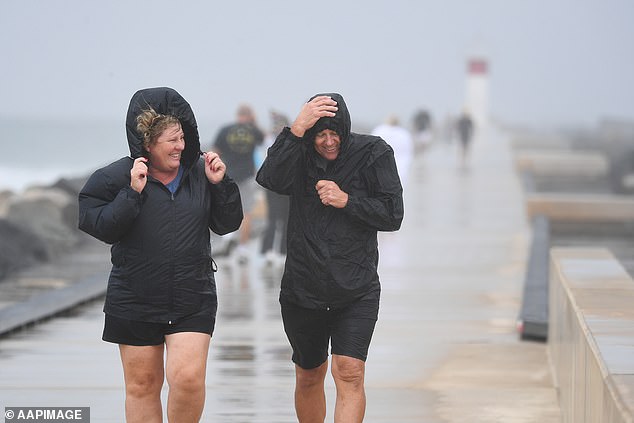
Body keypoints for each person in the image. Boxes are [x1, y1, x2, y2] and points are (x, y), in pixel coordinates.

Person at [78, 87, 243, 423]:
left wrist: (220, 184)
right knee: (142, 386)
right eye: (172, 140)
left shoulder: (201, 171)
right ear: (147, 143)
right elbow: (97, 225)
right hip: (134, 297)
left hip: (192, 296)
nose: (181, 146)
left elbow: (228, 224)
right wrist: (131, 193)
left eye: (182, 137)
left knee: (187, 380)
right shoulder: (116, 177)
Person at [256, 93, 404, 422]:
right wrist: (296, 130)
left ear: (346, 130)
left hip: (356, 288)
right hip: (302, 289)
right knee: (309, 376)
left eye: (334, 133)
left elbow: (393, 215)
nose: (327, 142)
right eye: (320, 134)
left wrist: (347, 201)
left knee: (349, 372)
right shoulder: (299, 153)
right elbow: (269, 179)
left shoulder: (373, 153)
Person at [212, 104, 264, 263]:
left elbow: (215, 151)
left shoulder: (225, 130)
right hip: (247, 176)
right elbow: (263, 139)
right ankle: (243, 249)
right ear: (250, 116)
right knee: (247, 212)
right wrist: (254, 123)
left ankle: (228, 240)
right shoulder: (253, 131)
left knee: (228, 209)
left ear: (238, 115)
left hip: (228, 175)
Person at [259, 110, 290, 266]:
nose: (278, 128)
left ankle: (283, 252)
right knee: (272, 218)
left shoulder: (291, 140)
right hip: (272, 184)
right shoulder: (269, 139)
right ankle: (268, 251)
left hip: (287, 184)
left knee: (285, 219)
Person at [372, 115, 415, 189]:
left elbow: (371, 148)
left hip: (381, 166)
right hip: (401, 166)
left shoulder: (380, 130)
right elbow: (409, 149)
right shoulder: (404, 133)